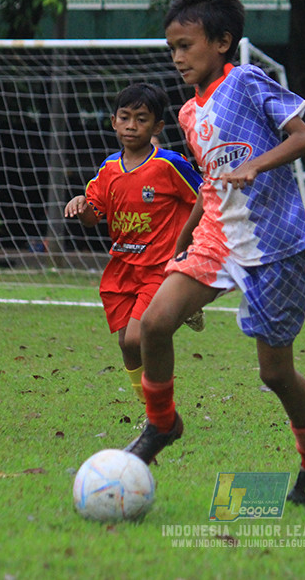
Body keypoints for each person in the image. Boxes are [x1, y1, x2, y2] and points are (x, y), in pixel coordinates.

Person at [123, 0, 305, 506]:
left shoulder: (246, 80)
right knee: (153, 324)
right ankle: (163, 424)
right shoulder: (186, 114)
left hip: (273, 244)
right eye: (172, 48)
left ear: (221, 42)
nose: (177, 57)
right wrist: (183, 240)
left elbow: (304, 137)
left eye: (186, 46)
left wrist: (254, 165)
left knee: (275, 371)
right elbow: (210, 183)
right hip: (216, 237)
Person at [64, 83, 203, 402]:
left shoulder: (170, 164)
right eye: (125, 117)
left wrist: (187, 243)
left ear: (156, 127)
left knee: (142, 336)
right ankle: (149, 407)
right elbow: (93, 215)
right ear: (113, 121)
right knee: (127, 343)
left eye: (141, 119)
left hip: (161, 266)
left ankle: (161, 407)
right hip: (123, 266)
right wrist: (81, 204)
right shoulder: (108, 169)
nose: (131, 125)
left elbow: (205, 197)